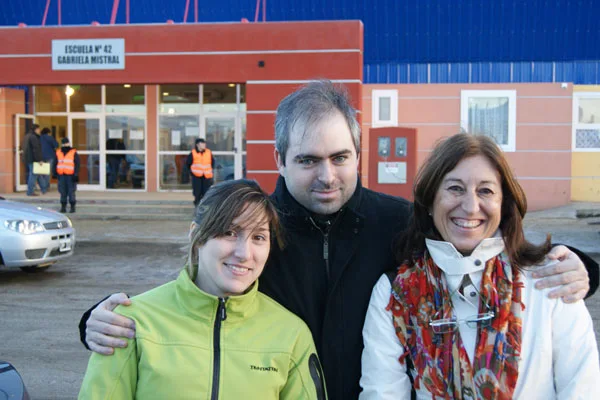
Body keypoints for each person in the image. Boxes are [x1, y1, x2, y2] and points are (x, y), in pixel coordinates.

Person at [78, 81, 598, 400]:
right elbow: (196, 288)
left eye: (340, 157)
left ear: (357, 153)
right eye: (308, 160)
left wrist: (584, 268)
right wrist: (99, 318)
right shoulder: (255, 229)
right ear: (280, 160)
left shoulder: (400, 222)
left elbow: (476, 239)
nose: (327, 175)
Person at [359, 134, 600, 399]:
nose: (471, 206)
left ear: (503, 203)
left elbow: (582, 387)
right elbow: (382, 392)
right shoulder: (395, 293)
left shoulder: (551, 277)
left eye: (485, 190)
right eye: (455, 188)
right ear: (430, 200)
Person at [78, 180, 326, 399]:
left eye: (258, 237)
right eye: (229, 232)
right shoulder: (129, 324)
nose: (244, 253)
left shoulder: (291, 334)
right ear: (196, 237)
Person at [52, 137, 80, 213]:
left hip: (71, 176)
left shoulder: (73, 152)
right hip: (61, 175)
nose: (65, 144)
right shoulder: (58, 152)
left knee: (71, 192)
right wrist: (54, 173)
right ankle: (63, 207)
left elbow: (77, 164)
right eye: (64, 143)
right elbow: (55, 163)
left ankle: (72, 207)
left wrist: (76, 174)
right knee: (62, 192)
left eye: (66, 143)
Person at [187, 138, 215, 207]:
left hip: (207, 175)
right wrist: (191, 173)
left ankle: (205, 204)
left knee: (206, 191)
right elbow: (188, 164)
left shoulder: (208, 152)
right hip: (197, 176)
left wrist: (210, 171)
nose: (204, 145)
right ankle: (197, 203)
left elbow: (212, 162)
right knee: (197, 191)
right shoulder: (193, 153)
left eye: (204, 143)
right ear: (197, 145)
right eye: (202, 143)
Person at [22, 123, 44, 196]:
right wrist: (39, 159)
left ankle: (43, 189)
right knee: (33, 175)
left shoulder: (27, 136)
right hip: (32, 159)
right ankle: (30, 191)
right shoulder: (33, 137)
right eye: (38, 129)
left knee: (36, 174)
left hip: (28, 158)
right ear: (36, 129)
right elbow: (36, 149)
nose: (39, 131)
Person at [39, 127, 58, 193]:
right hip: (50, 156)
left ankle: (42, 186)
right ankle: (46, 186)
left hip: (41, 157)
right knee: (47, 172)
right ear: (48, 132)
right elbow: (56, 145)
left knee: (41, 172)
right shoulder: (50, 138)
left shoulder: (39, 138)